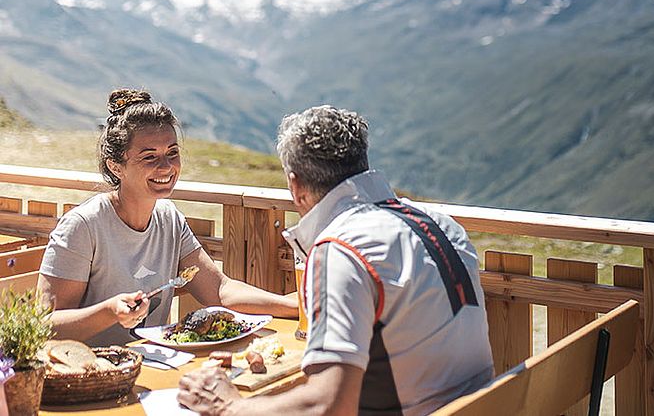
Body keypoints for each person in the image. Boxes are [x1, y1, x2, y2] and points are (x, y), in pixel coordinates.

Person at [178, 105, 493, 416]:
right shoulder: (440, 222)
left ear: (296, 185)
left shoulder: (342, 248)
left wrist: (229, 406)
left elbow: (329, 406)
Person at [38, 89, 297, 346]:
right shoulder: (83, 226)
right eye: (149, 157)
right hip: (88, 375)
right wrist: (108, 312)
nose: (166, 166)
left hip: (149, 367)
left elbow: (219, 290)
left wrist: (292, 305)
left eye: (172, 152)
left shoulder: (168, 218)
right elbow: (45, 327)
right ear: (115, 166)